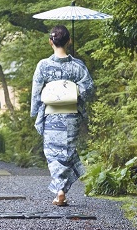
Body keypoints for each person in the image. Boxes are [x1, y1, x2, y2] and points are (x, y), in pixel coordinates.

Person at [30, 24, 94, 206]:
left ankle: (59, 190)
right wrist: (72, 91)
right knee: (67, 151)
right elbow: (88, 90)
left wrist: (35, 112)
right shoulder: (77, 66)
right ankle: (62, 190)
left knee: (52, 153)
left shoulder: (43, 66)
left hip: (51, 115)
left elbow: (36, 92)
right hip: (72, 115)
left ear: (50, 41)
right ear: (69, 41)